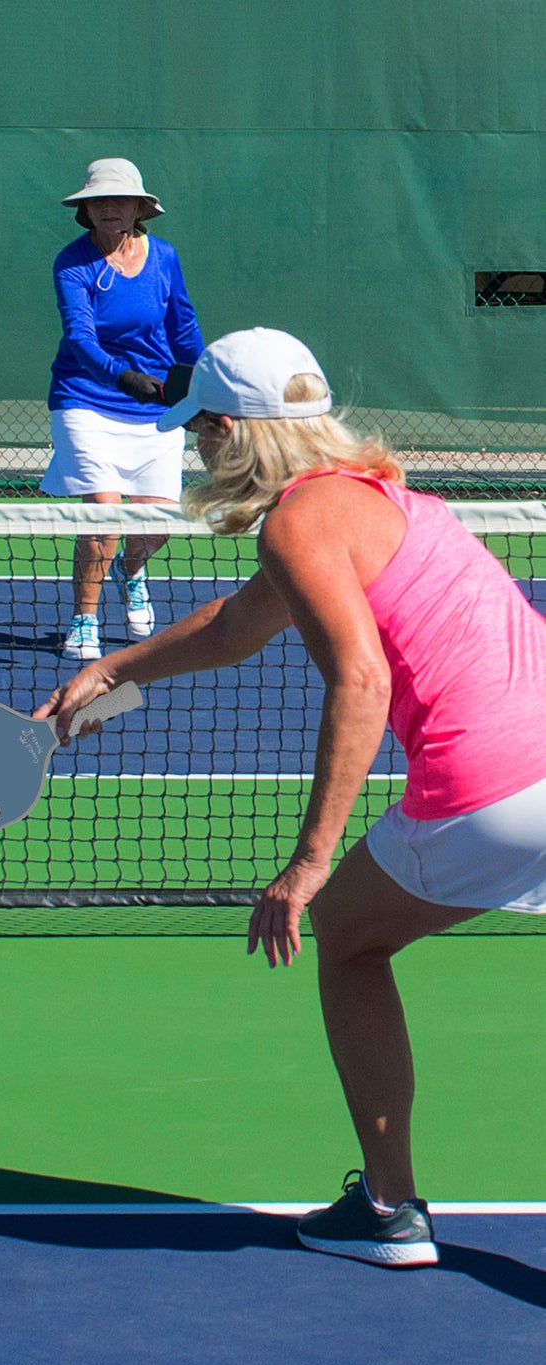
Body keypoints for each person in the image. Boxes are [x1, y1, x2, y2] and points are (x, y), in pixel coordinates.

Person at [35, 327, 546, 1269]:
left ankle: (391, 1208)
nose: (195, 448)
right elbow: (236, 627)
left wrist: (308, 863)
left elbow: (360, 681)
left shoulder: (299, 521)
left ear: (233, 429)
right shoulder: (376, 499)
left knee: (349, 938)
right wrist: (114, 674)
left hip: (489, 786)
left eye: (201, 432)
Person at [42, 157, 204, 662]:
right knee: (105, 515)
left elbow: (182, 327)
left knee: (154, 525)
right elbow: (80, 339)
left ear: (139, 208)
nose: (109, 208)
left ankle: (131, 571)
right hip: (86, 398)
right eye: (98, 201)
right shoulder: (72, 264)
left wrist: (202, 384)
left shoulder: (164, 258)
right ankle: (84, 620)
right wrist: (125, 378)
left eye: (119, 200)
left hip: (155, 406)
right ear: (86, 210)